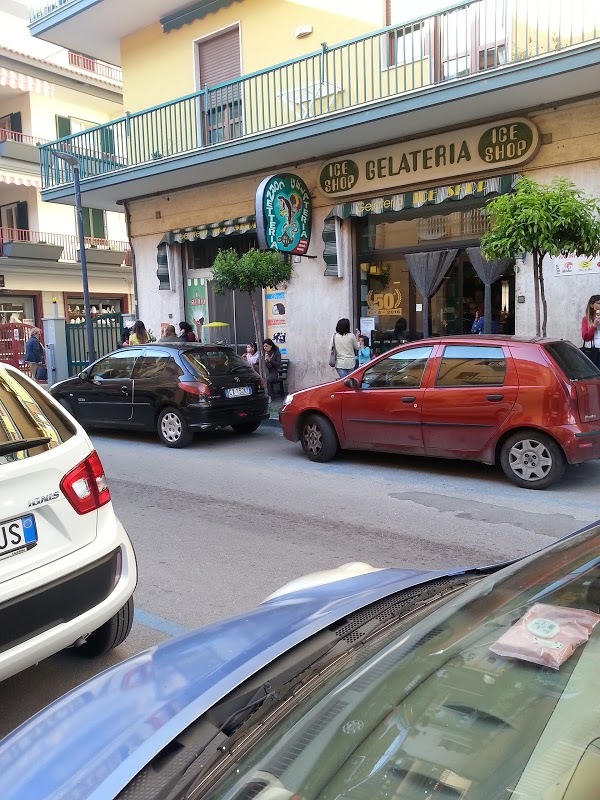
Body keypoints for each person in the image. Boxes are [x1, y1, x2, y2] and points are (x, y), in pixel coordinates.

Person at [581, 294, 600, 366]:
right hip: (593, 352)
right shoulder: (586, 319)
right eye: (599, 303)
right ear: (592, 305)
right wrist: (594, 326)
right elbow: (585, 337)